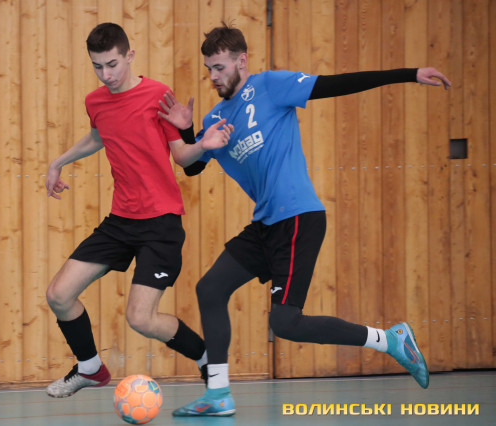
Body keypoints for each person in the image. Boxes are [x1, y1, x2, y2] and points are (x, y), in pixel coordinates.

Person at [158, 22, 452, 416]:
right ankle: (218, 395)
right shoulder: (216, 119)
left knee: (285, 323)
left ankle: (390, 340)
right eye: (209, 69)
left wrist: (410, 74)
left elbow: (336, 84)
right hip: (265, 224)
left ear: (242, 61)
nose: (213, 76)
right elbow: (193, 167)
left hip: (298, 217)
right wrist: (190, 131)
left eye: (220, 67)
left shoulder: (270, 86)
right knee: (210, 289)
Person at [44, 22, 233, 399]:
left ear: (129, 55)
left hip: (160, 224)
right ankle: (90, 368)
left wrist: (201, 143)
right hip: (120, 221)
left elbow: (182, 157)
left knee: (140, 318)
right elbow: (98, 136)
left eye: (112, 64)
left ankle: (205, 357)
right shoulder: (95, 102)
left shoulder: (158, 95)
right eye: (97, 66)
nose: (106, 74)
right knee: (59, 295)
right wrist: (57, 162)